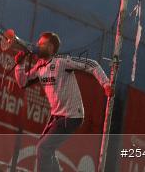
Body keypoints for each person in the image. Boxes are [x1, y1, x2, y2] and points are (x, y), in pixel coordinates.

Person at [14, 31, 112, 172]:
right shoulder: (40, 66)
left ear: (51, 48)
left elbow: (92, 64)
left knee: (44, 147)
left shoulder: (61, 62)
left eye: (42, 44)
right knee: (45, 148)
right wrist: (20, 65)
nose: (37, 46)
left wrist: (106, 84)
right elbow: (23, 82)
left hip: (71, 116)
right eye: (38, 43)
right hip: (57, 116)